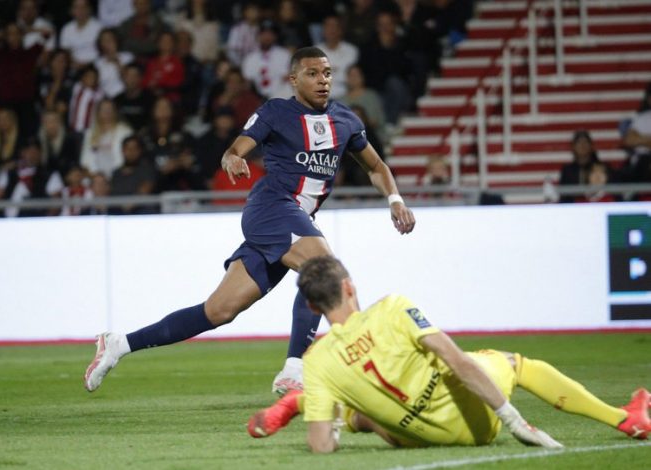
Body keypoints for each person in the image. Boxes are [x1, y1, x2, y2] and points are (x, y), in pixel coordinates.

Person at [83, 47, 415, 396]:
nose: (323, 81)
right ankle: (297, 369)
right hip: (271, 207)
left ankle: (119, 344)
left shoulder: (346, 120)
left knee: (218, 310)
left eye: (327, 73)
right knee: (324, 270)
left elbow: (377, 167)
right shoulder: (276, 111)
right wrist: (232, 158)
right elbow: (235, 149)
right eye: (313, 73)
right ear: (294, 79)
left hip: (294, 221)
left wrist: (395, 200)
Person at [247, 256, 651, 452]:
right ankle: (624, 419)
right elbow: (458, 361)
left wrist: (331, 429)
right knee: (514, 364)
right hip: (478, 421)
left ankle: (301, 401)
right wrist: (514, 420)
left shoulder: (317, 361)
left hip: (417, 439)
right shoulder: (392, 308)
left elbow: (321, 447)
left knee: (369, 409)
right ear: (349, 287)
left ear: (312, 307)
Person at [558, 130, 600, 203]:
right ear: (573, 147)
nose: (582, 145)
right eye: (579, 142)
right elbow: (563, 196)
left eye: (585, 142)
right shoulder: (567, 171)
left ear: (591, 146)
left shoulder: (601, 168)